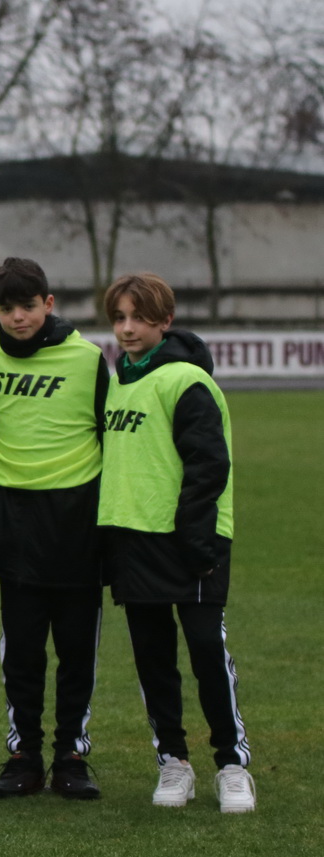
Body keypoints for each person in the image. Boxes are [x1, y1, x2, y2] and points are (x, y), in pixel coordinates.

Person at [97, 272, 254, 813]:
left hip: (190, 542)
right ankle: (173, 760)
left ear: (165, 321)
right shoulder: (117, 382)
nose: (127, 328)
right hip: (133, 540)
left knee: (207, 650)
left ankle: (232, 764)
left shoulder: (187, 380)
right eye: (119, 318)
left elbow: (208, 465)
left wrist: (197, 539)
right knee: (153, 658)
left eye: (139, 318)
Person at [0, 257, 107, 800]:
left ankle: (71, 755)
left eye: (28, 306)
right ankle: (24, 755)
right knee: (22, 651)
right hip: (15, 522)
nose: (18, 317)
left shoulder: (88, 358)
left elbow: (109, 434)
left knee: (76, 649)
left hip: (79, 520)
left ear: (48, 304)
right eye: (6, 308)